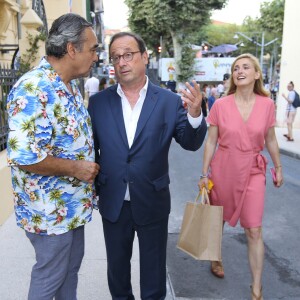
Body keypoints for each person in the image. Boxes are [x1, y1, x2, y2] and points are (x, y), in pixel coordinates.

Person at [88, 32, 207, 300]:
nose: (122, 62)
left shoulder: (168, 101)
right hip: (114, 202)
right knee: (117, 274)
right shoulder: (98, 103)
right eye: (116, 57)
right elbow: (89, 150)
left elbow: (190, 142)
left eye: (128, 54)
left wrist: (196, 115)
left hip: (152, 200)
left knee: (153, 275)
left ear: (144, 57)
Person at [6, 13, 100, 300]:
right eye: (93, 49)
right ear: (72, 49)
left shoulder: (67, 86)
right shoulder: (34, 88)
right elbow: (24, 155)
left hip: (71, 210)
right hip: (49, 214)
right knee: (50, 279)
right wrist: (76, 168)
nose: (96, 56)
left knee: (68, 274)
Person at [198, 53, 283, 300]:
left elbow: (270, 139)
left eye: (246, 67)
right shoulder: (221, 105)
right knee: (218, 220)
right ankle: (215, 257)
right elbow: (211, 140)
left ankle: (257, 289)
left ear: (257, 74)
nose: (240, 71)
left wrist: (278, 166)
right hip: (223, 168)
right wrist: (204, 174)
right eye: (236, 68)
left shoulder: (267, 105)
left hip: (254, 170)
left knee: (254, 229)